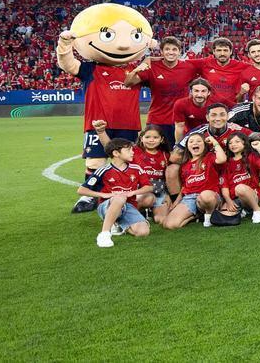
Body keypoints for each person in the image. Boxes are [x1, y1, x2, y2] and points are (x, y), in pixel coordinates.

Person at [57, 20, 152, 213]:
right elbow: (68, 64)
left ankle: (130, 193)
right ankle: (88, 195)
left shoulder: (136, 71)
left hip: (129, 124)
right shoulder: (91, 69)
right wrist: (64, 45)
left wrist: (152, 48)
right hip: (98, 123)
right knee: (95, 160)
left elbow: (159, 70)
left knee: (129, 161)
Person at [76, 137, 152, 248]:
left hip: (129, 206)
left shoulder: (136, 168)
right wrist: (104, 195)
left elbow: (149, 187)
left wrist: (132, 192)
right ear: (116, 153)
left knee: (143, 232)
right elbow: (81, 190)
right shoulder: (104, 170)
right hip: (107, 205)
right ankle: (104, 234)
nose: (132, 152)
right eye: (129, 150)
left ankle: (117, 224)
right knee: (119, 198)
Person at [125, 36, 199, 147]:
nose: (171, 52)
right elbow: (128, 83)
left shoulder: (189, 67)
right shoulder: (152, 67)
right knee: (153, 155)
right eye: (167, 49)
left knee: (178, 157)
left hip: (180, 122)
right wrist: (140, 66)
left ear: (179, 52)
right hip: (157, 120)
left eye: (174, 49)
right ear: (161, 52)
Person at [163, 132, 227, 229]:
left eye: (199, 141)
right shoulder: (185, 165)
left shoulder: (210, 157)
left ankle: (209, 214)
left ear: (204, 145)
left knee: (205, 196)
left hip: (209, 195)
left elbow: (222, 159)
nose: (195, 143)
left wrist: (214, 142)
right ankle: (196, 216)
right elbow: (185, 186)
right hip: (190, 198)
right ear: (188, 147)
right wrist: (176, 202)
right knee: (169, 225)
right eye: (191, 142)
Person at [220, 130, 260, 224]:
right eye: (230, 143)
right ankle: (245, 210)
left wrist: (259, 149)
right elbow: (224, 186)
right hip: (235, 198)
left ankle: (257, 210)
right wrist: (228, 201)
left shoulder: (251, 156)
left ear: (244, 142)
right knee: (223, 215)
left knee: (240, 188)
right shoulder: (226, 163)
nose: (233, 145)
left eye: (237, 141)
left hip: (252, 194)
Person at [173, 78, 212, 143]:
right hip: (189, 136)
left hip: (210, 136)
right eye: (196, 91)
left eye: (203, 91)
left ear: (209, 92)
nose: (199, 95)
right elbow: (179, 127)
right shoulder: (181, 104)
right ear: (191, 92)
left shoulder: (216, 103)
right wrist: (178, 145)